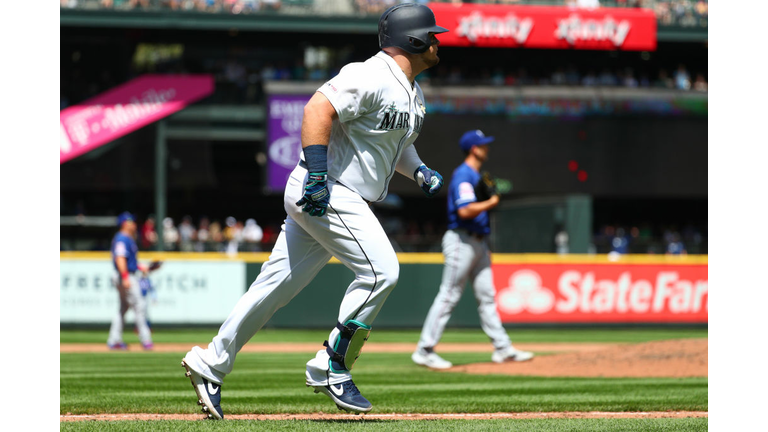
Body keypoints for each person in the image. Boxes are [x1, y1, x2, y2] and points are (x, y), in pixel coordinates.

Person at [181, 3, 448, 419]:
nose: (437, 42)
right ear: (412, 40)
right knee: (382, 271)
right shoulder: (370, 74)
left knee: (273, 288)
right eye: (431, 35)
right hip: (330, 190)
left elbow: (394, 143)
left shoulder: (412, 91)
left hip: (334, 193)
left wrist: (418, 171)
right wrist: (318, 176)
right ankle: (332, 364)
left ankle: (210, 362)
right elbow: (317, 109)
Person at [412, 130, 534, 370]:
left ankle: (502, 348)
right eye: (483, 145)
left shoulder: (475, 175)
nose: (487, 148)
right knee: (449, 295)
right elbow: (465, 210)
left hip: (478, 242)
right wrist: (492, 202)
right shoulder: (464, 174)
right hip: (462, 240)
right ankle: (424, 350)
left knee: (487, 297)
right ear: (474, 149)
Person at [106, 212, 154, 350]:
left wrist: (141, 267)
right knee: (140, 306)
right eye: (130, 221)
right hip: (125, 275)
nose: (133, 224)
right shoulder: (122, 238)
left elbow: (129, 261)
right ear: (124, 224)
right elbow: (120, 258)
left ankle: (114, 340)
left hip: (125, 274)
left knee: (123, 308)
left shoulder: (127, 238)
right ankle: (146, 340)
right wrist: (125, 276)